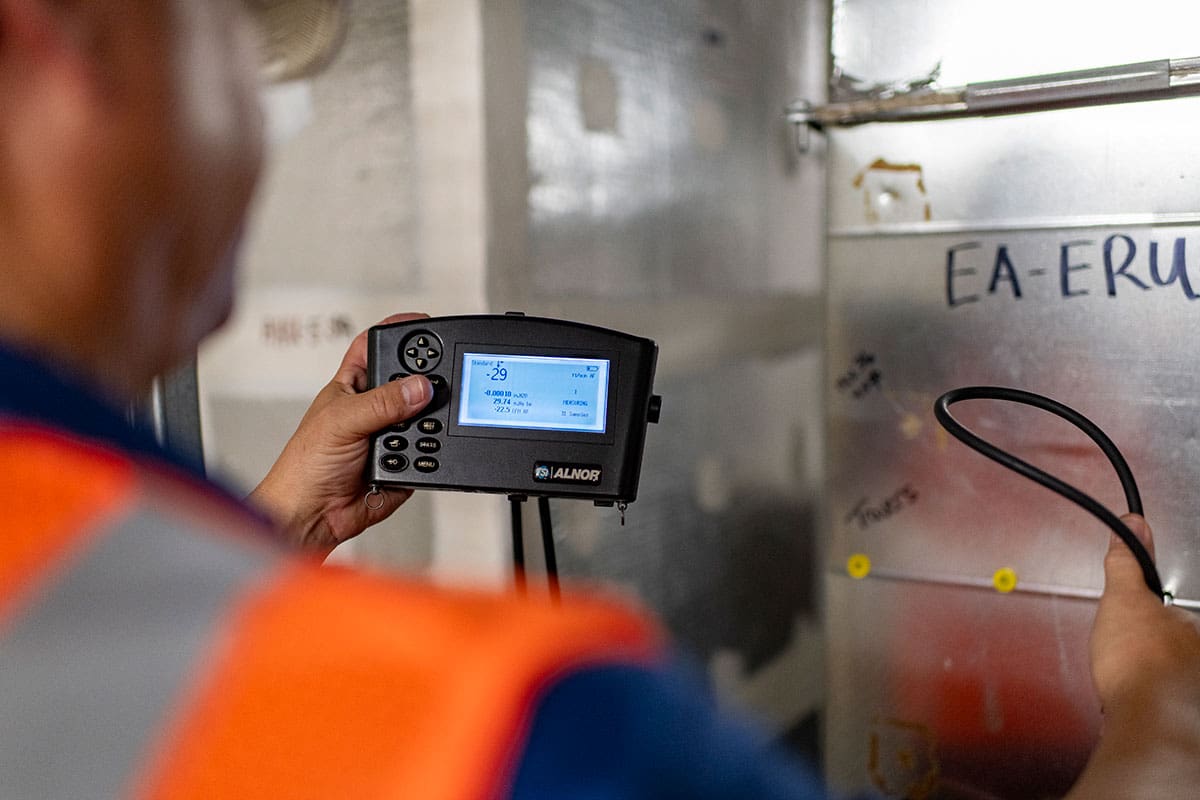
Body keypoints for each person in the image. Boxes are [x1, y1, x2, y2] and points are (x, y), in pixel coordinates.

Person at [0, 1, 1194, 797]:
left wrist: (276, 543)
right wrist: (1158, 711)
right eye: (232, 41)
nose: (266, 117)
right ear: (57, 39)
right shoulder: (507, 722)